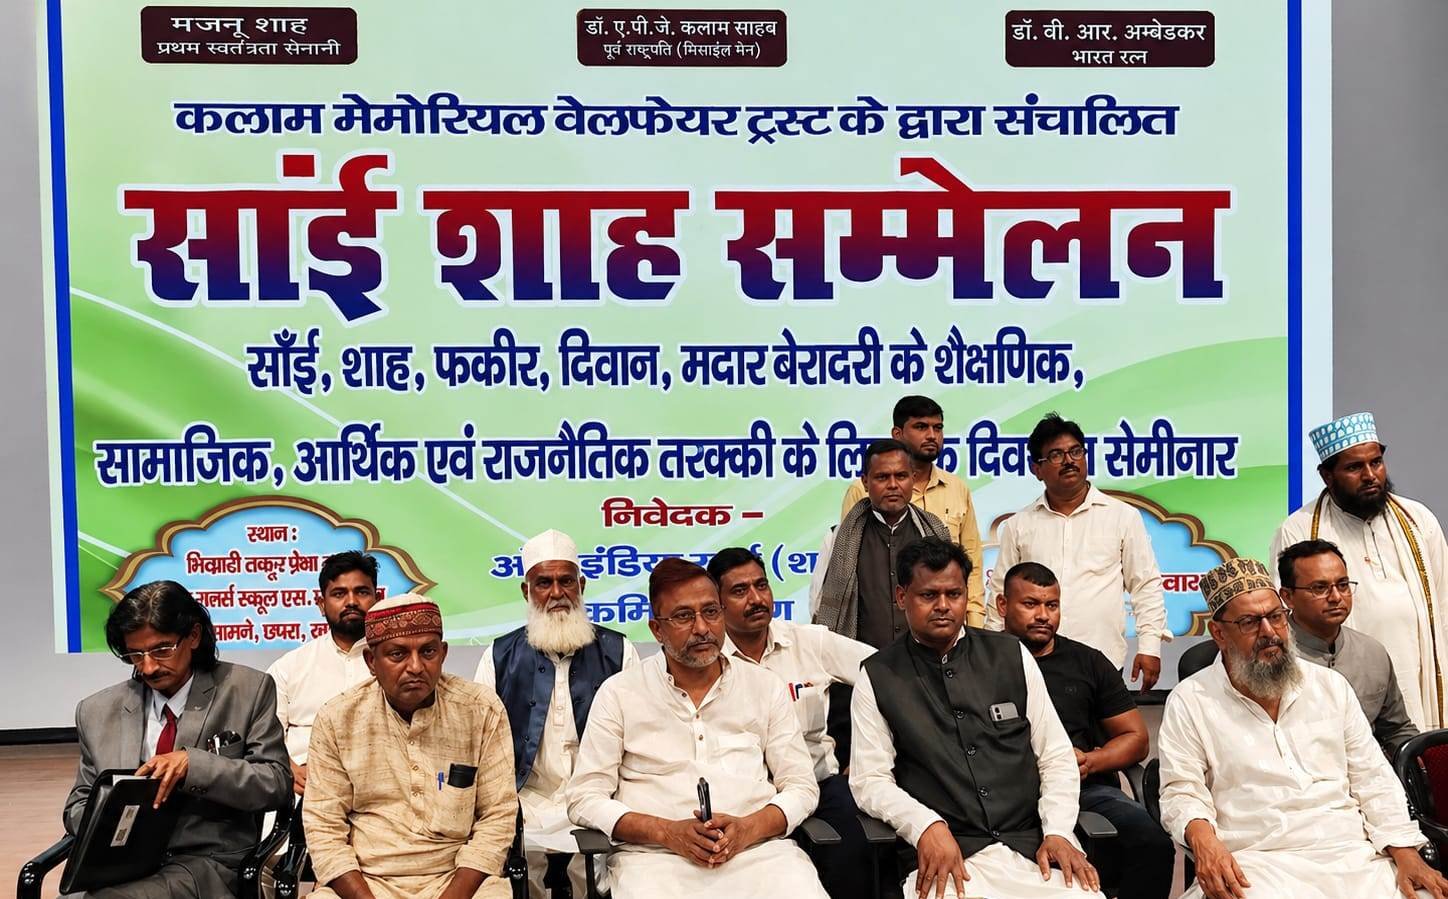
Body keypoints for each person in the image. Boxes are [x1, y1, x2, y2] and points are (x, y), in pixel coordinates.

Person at [1158, 557, 1448, 899]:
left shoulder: (1330, 687)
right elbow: (1182, 790)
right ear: (1219, 633)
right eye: (1250, 622)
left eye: (1276, 617)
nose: (1269, 632)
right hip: (1257, 862)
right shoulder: (1191, 700)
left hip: (1353, 856)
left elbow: (1372, 779)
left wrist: (1405, 852)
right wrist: (1204, 842)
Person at [851, 538, 1103, 899]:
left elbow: (1055, 755)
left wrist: (1059, 831)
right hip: (947, 856)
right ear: (902, 597)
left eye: (953, 594)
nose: (943, 606)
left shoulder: (1011, 655)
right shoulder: (878, 675)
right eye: (928, 595)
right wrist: (925, 826)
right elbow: (870, 780)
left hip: (1032, 847)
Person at [566, 558, 829, 898]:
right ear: (656, 629)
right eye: (683, 616)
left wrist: (748, 829)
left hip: (759, 856)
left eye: (711, 612)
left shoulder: (765, 686)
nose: (702, 628)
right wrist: (665, 832)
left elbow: (801, 787)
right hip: (654, 861)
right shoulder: (620, 693)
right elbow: (584, 797)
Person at [64, 580, 292, 897]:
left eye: (161, 650)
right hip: (121, 863)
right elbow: (78, 804)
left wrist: (193, 765)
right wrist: (110, 822)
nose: (148, 667)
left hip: (206, 862)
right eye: (135, 654)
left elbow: (276, 783)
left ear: (194, 636)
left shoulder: (247, 689)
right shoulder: (96, 711)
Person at [303, 594, 516, 899]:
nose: (415, 666)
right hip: (368, 881)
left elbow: (498, 817)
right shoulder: (337, 719)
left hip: (458, 881)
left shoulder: (481, 709)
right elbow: (324, 828)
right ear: (371, 662)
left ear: (443, 654)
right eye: (397, 654)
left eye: (428, 651)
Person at [475, 529, 638, 898]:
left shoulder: (619, 651)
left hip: (600, 797)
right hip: (526, 804)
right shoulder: (498, 657)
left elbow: (638, 739)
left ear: (581, 585)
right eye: (543, 583)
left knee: (605, 882)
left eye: (566, 581)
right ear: (526, 591)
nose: (556, 593)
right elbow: (482, 746)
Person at [996, 562, 1173, 899]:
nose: (1043, 615)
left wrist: (1090, 761)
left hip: (1085, 790)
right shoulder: (980, 662)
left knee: (1153, 842)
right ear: (1003, 605)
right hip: (1004, 796)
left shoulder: (1088, 662)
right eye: (1030, 604)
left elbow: (1136, 739)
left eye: (1051, 605)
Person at [711, 546, 876, 899]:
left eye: (761, 585)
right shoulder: (707, 660)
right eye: (740, 591)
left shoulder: (809, 641)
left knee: (856, 841)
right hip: (747, 795)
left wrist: (868, 756)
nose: (756, 599)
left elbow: (888, 675)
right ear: (717, 604)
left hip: (820, 785)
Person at [1271, 412, 1448, 728]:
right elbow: (1288, 618)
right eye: (1354, 467)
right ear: (1327, 476)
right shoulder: (1299, 529)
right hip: (1339, 682)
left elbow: (1444, 605)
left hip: (1418, 676)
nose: (1370, 475)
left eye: (1376, 462)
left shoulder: (1418, 520)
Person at [986, 412, 1168, 689]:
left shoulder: (1122, 516)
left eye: (1076, 451)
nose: (1069, 460)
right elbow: (1001, 593)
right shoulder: (1019, 525)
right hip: (1034, 663)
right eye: (1056, 455)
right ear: (1036, 469)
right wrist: (992, 652)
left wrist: (1150, 646)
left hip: (1102, 660)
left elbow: (1145, 585)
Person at [838, 395, 986, 626]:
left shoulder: (957, 488)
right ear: (897, 434)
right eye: (921, 427)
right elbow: (847, 563)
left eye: (938, 428)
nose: (932, 435)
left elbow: (972, 565)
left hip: (943, 626)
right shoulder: (863, 491)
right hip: (878, 626)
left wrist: (974, 625)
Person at [1279, 538, 1418, 758]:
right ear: (1288, 597)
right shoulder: (1270, 657)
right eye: (1320, 588)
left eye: (1343, 585)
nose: (1336, 597)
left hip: (1367, 772)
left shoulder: (1372, 653)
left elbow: (1396, 730)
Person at [813, 438, 951, 648]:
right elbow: (818, 605)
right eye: (882, 477)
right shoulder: (838, 537)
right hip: (859, 661)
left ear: (913, 479)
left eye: (901, 476)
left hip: (925, 660)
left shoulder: (934, 534)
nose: (893, 485)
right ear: (865, 482)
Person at [266, 550, 380, 794]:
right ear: (321, 605)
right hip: (304, 791)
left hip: (378, 791)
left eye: (361, 592)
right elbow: (264, 737)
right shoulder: (290, 667)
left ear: (377, 599)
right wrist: (288, 769)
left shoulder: (397, 664)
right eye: (339, 594)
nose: (351, 601)